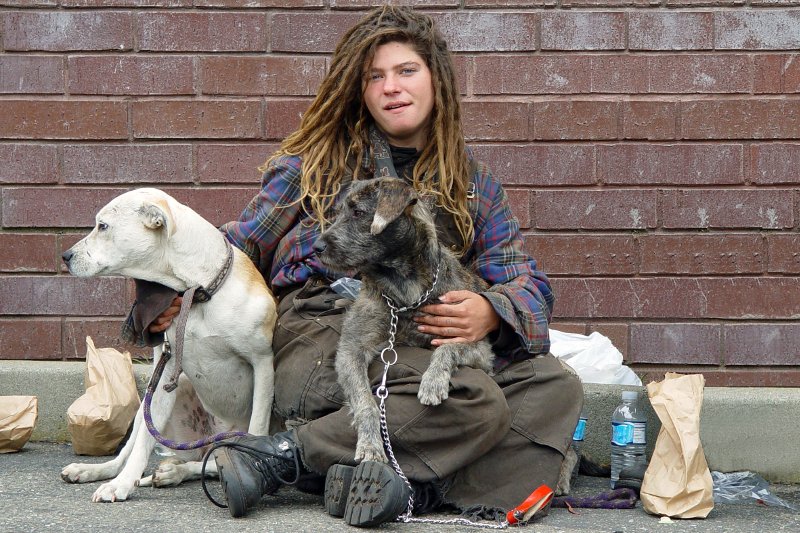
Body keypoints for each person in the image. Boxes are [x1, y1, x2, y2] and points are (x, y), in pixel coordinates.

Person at [151, 5, 583, 527]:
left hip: (419, 341)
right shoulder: (315, 164)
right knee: (473, 401)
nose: (391, 87)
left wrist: (492, 310)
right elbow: (237, 246)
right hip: (323, 336)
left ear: (437, 80)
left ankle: (392, 487)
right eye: (375, 76)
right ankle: (278, 455)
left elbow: (525, 282)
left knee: (554, 386)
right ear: (360, 91)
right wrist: (162, 294)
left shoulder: (474, 186)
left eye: (406, 71)